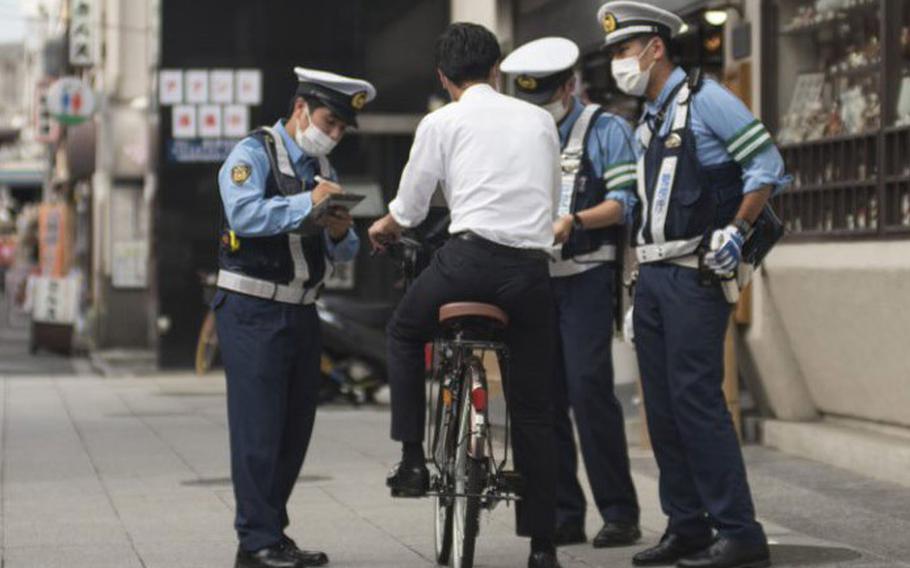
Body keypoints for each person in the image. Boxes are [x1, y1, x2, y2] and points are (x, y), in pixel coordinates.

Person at [595, 2, 790, 567]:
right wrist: (635, 283)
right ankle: (687, 527)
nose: (617, 63)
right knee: (660, 408)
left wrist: (737, 229)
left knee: (697, 403)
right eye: (613, 54)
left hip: (696, 275)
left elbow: (767, 164)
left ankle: (740, 533)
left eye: (624, 51)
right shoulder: (648, 118)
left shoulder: (708, 100)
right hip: (654, 279)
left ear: (656, 48)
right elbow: (643, 212)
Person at [368, 22, 564, 568]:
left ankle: (411, 458)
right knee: (533, 407)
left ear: (443, 76)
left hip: (466, 265)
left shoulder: (441, 121)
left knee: (405, 331)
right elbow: (550, 203)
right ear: (497, 69)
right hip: (528, 272)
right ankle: (544, 546)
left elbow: (409, 208)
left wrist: (385, 227)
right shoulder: (540, 120)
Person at [213, 67, 374, 568]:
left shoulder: (323, 170)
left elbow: (343, 254)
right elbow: (243, 214)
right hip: (253, 307)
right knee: (258, 430)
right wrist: (308, 202)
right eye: (329, 120)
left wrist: (340, 229)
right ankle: (257, 540)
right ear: (301, 108)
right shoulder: (252, 154)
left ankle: (269, 535)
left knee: (293, 430)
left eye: (342, 128)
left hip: (302, 311)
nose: (333, 133)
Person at [500, 37, 641, 549]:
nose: (541, 111)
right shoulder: (521, 132)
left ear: (569, 86)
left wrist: (574, 220)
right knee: (545, 398)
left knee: (589, 390)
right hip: (535, 280)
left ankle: (620, 512)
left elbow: (623, 203)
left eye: (548, 99)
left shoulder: (605, 129)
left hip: (585, 274)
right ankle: (563, 511)